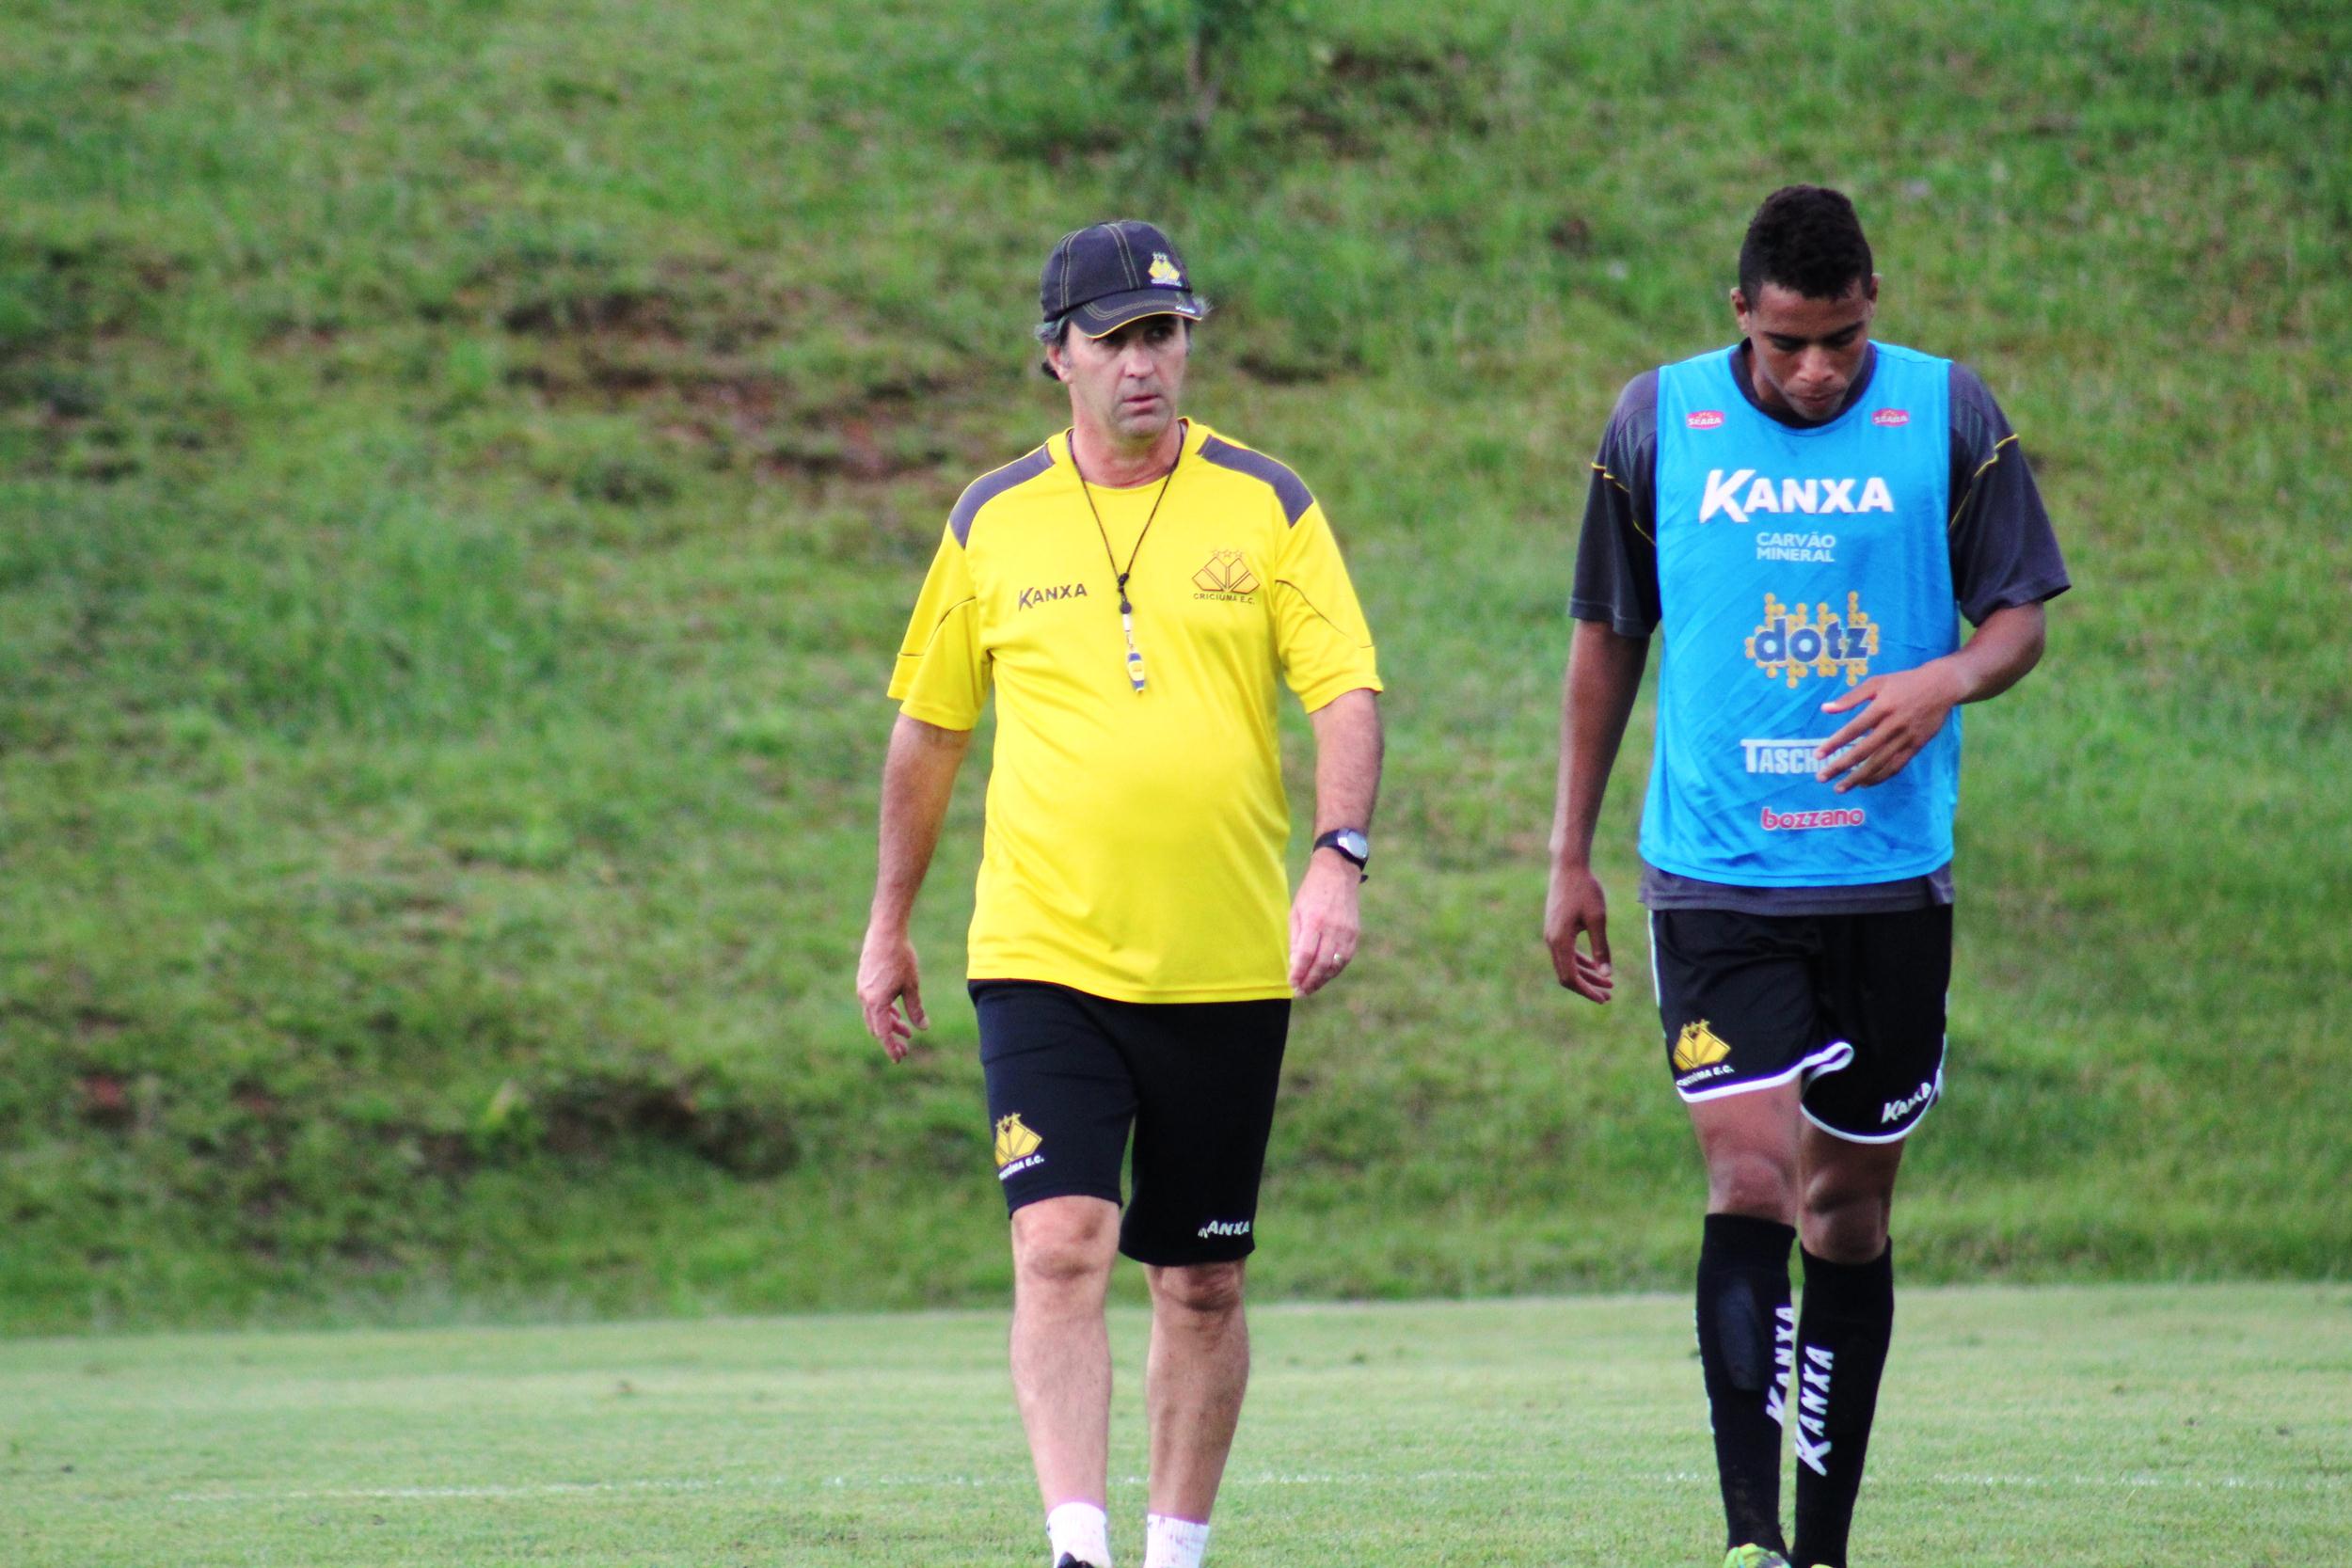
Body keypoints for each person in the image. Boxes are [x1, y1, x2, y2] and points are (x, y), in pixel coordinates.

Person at [1542, 185, 2070, 1568]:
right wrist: (1567, 854)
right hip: (1715, 878)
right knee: (1751, 1178)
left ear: (1871, 308)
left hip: (1890, 882)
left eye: (1839, 339)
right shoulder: (1656, 423)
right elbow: (1607, 640)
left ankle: (1826, 1547)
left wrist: (1944, 679)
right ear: (1740, 317)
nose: (1816, 368)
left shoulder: (1950, 416)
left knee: (1847, 1207)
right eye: (1787, 343)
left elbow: (2017, 614)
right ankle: (1750, 1541)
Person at [856, 219, 1383, 1568]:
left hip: (1221, 960)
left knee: (1200, 1280)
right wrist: (888, 925)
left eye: (1169, 333)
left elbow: (1345, 692)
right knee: (1062, 1245)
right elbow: (928, 731)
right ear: (1059, 359)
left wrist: (1336, 859)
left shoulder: (1269, 503)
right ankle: (1077, 1547)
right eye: (1121, 339)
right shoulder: (990, 518)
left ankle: (1174, 1554)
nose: (1151, 363)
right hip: (1042, 951)